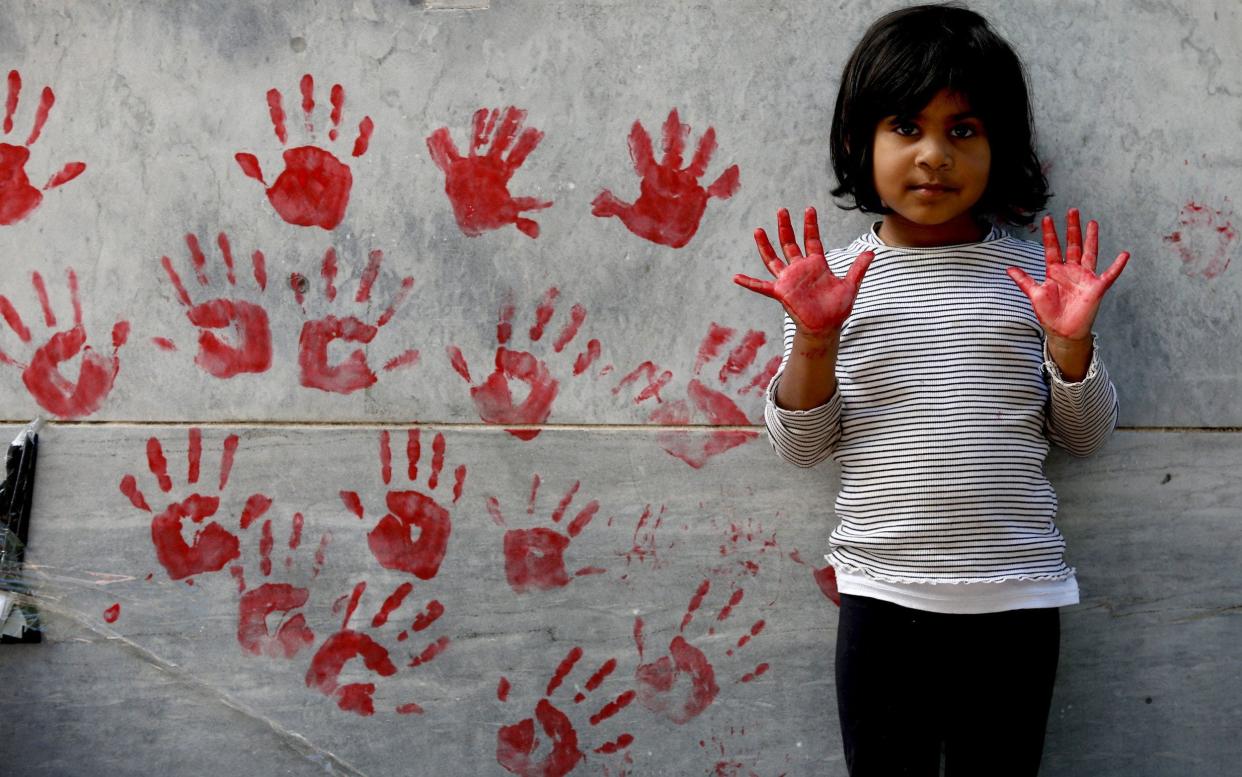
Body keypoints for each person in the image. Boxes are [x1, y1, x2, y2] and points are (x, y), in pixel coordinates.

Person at [733, 5, 1129, 776]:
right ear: (859, 142)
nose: (934, 156)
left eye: (964, 131)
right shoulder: (837, 284)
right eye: (906, 128)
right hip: (881, 598)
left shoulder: (1034, 283)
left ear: (1000, 145)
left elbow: (1085, 437)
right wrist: (815, 339)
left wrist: (1071, 345)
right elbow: (803, 447)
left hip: (1016, 599)